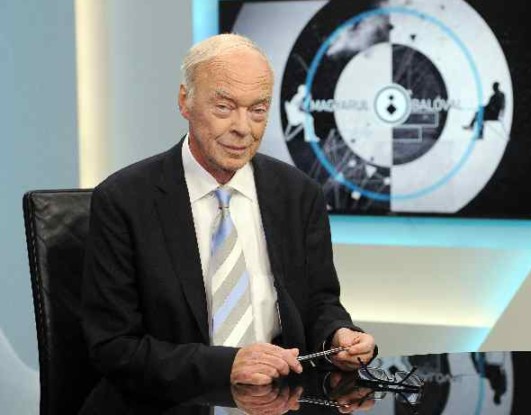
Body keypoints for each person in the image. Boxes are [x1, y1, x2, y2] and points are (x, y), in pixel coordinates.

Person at [80, 34, 375, 406]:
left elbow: (320, 303)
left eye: (258, 110)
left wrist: (337, 335)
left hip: (279, 401)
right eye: (224, 107)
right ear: (185, 101)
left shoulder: (299, 194)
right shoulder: (124, 200)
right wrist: (227, 365)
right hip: (167, 404)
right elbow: (113, 346)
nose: (243, 128)